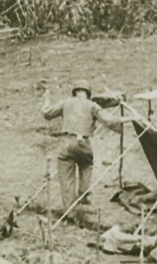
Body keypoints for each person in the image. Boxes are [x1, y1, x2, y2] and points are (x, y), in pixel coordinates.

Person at [42, 81, 125, 213]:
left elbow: (47, 113)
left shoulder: (66, 102)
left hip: (66, 142)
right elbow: (109, 120)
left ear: (75, 92)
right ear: (87, 93)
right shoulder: (93, 105)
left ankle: (69, 209)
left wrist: (46, 99)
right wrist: (128, 119)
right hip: (83, 142)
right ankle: (83, 196)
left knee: (66, 174)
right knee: (86, 166)